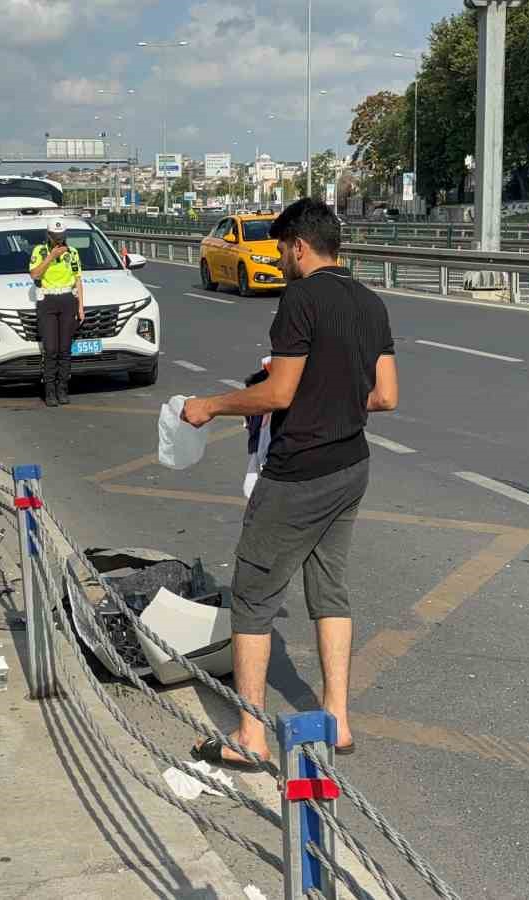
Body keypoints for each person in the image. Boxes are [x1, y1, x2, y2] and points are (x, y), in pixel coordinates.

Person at [180, 198, 398, 769]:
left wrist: (212, 404)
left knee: (252, 596)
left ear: (299, 246)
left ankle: (250, 736)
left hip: (299, 471)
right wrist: (337, 397)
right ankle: (338, 720)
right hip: (353, 465)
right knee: (330, 589)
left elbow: (278, 394)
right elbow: (387, 396)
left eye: (281, 249)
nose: (281, 259)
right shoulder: (370, 302)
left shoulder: (299, 299)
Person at [26, 219, 84, 408]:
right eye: (56, 237)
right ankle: (49, 390)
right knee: (51, 349)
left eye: (62, 237)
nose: (59, 240)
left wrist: (81, 306)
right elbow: (34, 274)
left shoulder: (72, 253)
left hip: (67, 299)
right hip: (48, 301)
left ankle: (63, 389)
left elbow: (78, 280)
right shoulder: (39, 251)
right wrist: (51, 256)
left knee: (65, 349)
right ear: (48, 236)